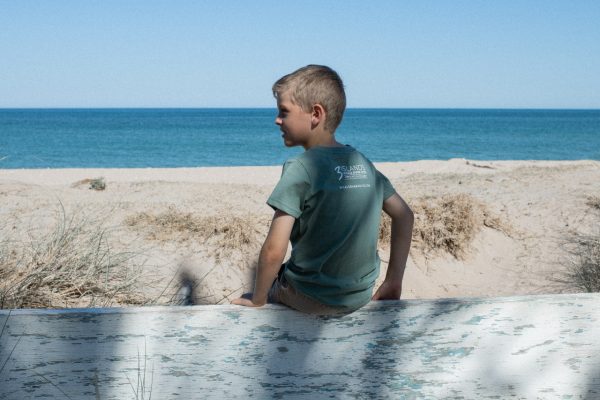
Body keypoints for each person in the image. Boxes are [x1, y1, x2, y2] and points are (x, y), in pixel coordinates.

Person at [232, 65, 413, 315]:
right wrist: (394, 281)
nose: (277, 119)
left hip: (309, 297)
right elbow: (405, 215)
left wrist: (258, 299)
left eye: (284, 112)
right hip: (358, 296)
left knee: (259, 293)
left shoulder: (301, 168)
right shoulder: (362, 163)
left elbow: (274, 250)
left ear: (316, 114)